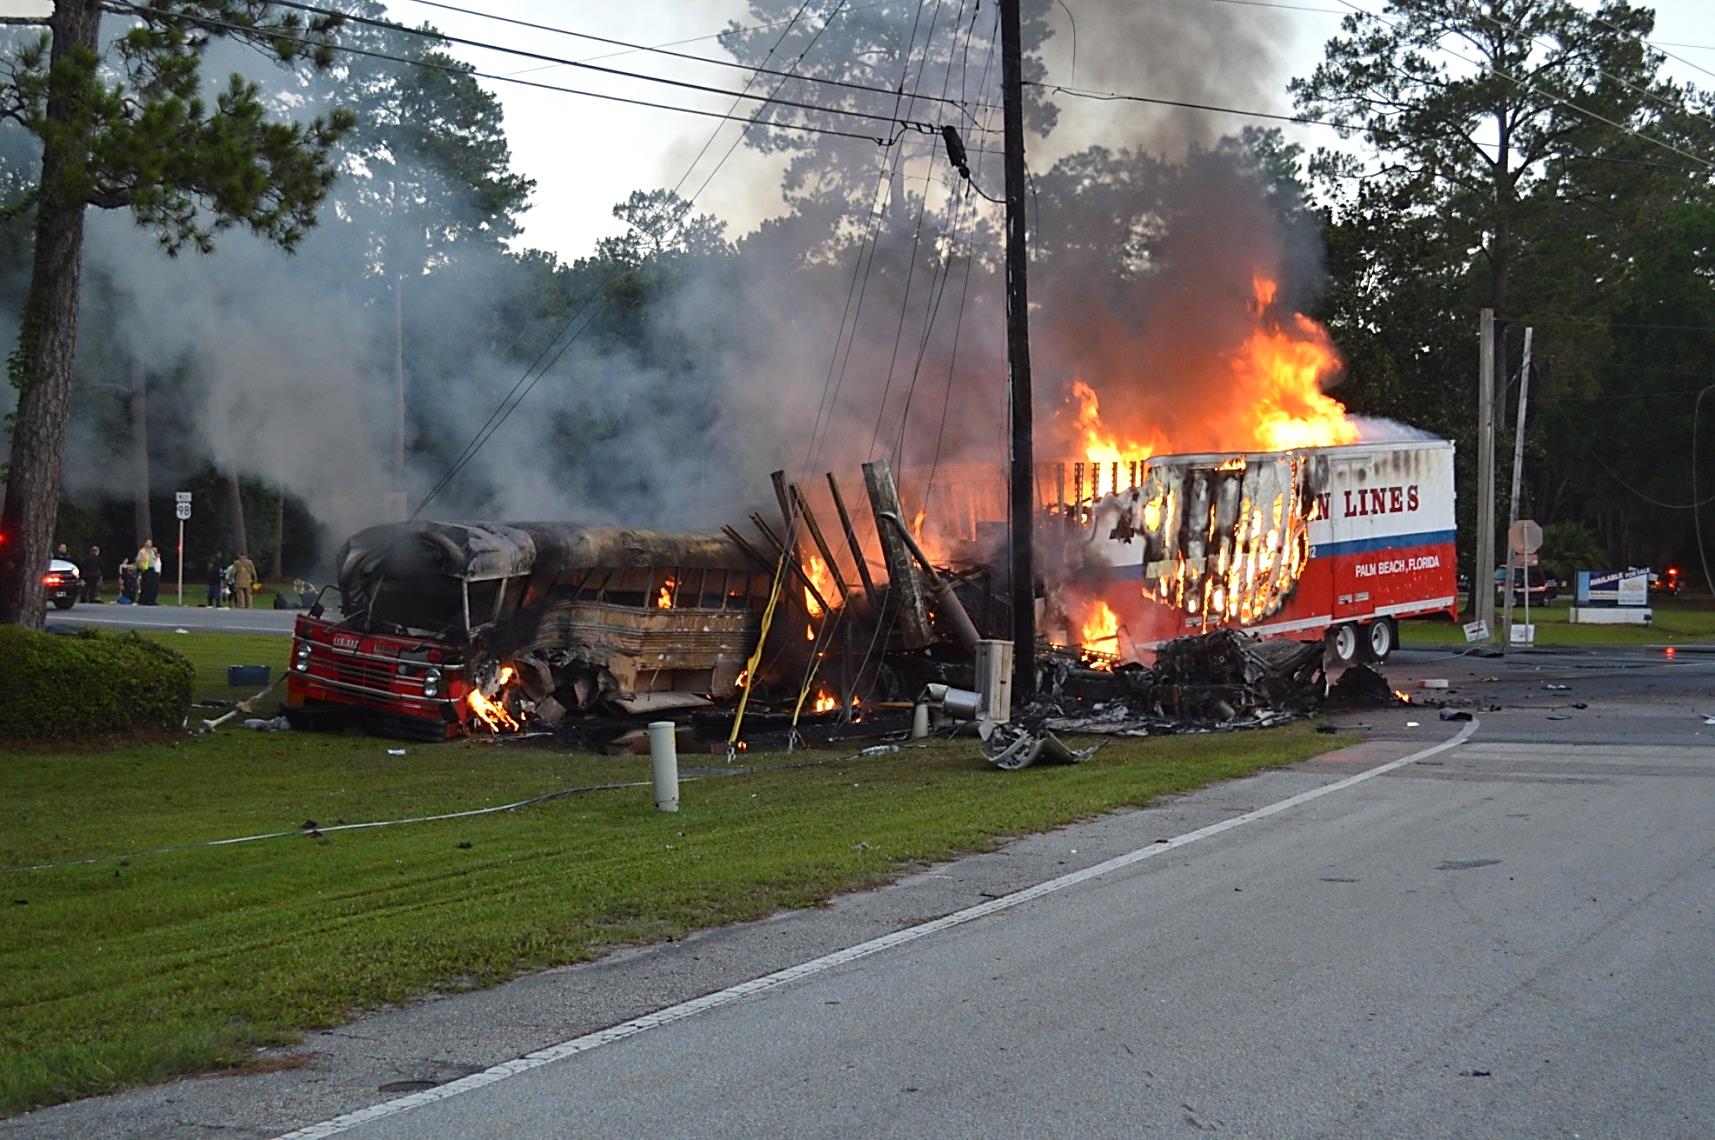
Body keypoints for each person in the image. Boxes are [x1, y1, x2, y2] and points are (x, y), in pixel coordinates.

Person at [135, 538, 161, 605]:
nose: (149, 544)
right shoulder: (142, 551)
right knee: (146, 585)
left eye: (150, 543)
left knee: (152, 586)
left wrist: (156, 558)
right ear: (145, 543)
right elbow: (138, 560)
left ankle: (151, 600)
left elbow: (153, 559)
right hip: (146, 569)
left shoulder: (152, 551)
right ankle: (144, 600)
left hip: (152, 569)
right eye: (148, 542)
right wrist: (142, 567)